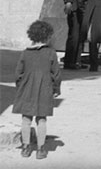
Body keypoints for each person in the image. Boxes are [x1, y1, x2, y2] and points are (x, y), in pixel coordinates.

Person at [13, 20, 61, 160]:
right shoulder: (51, 53)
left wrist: (21, 86)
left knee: (26, 119)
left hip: (27, 89)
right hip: (44, 89)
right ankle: (41, 149)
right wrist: (56, 88)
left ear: (31, 36)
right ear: (47, 36)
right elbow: (56, 74)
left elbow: (18, 73)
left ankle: (26, 148)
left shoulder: (25, 53)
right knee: (42, 120)